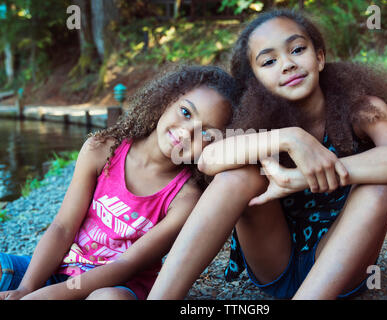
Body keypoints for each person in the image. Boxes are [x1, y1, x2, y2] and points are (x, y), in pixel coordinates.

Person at [147, 9, 387, 300]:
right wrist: (291, 138)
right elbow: (209, 159)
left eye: (297, 49)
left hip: (342, 267)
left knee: (379, 187)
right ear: (254, 80)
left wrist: (300, 177)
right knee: (237, 174)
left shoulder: (360, 106)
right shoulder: (256, 120)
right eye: (269, 61)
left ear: (319, 57)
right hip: (273, 260)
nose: (288, 64)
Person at [0, 65, 238, 300]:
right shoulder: (101, 149)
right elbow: (62, 227)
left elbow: (127, 264)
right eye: (186, 113)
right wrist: (27, 289)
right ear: (167, 100)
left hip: (118, 285)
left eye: (206, 133)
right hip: (64, 270)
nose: (188, 133)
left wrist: (51, 296)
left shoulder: (185, 197)